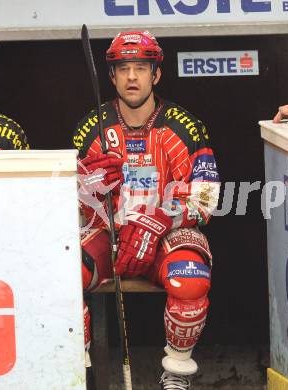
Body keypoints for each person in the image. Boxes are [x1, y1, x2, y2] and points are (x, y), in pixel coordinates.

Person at [73, 31, 220, 389]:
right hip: (110, 236)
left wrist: (161, 218)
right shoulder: (91, 128)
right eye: (123, 69)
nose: (132, 77)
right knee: (63, 274)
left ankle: (175, 372)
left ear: (156, 74)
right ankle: (78, 370)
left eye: (141, 68)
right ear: (112, 76)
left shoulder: (185, 126)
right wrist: (89, 185)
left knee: (191, 275)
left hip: (166, 234)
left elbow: (206, 198)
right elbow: (67, 203)